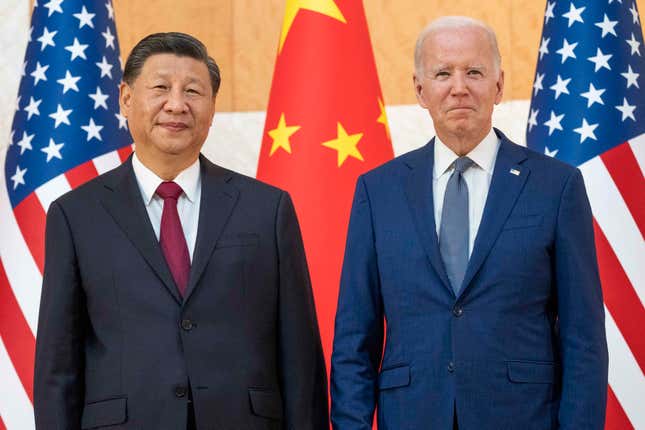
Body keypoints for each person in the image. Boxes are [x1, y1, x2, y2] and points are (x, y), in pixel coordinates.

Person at [34, 32, 328, 430]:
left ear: (211, 107)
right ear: (125, 98)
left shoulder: (267, 209)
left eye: (193, 91)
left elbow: (300, 356)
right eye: (160, 88)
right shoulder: (75, 215)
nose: (176, 104)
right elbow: (58, 367)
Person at [330, 16, 608, 430]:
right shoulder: (378, 191)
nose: (459, 87)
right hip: (411, 416)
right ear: (420, 90)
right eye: (443, 73)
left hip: (522, 417)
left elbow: (582, 336)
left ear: (498, 86)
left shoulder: (557, 185)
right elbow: (355, 337)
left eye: (474, 72)